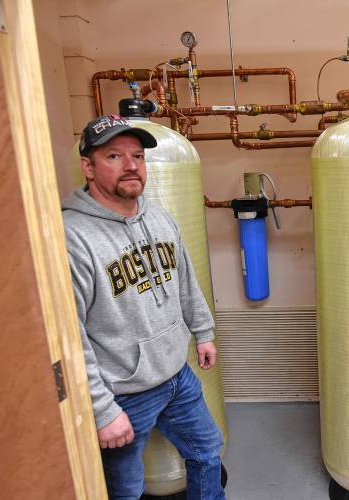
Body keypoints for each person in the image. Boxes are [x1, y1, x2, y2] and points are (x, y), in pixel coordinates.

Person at [62, 114, 225, 500]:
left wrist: (202, 332)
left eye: (137, 155)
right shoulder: (73, 238)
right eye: (114, 156)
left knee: (207, 450)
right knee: (126, 489)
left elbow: (185, 280)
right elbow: (71, 335)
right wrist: (102, 410)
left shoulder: (159, 217)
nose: (131, 165)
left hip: (176, 375)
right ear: (88, 166)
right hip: (122, 390)